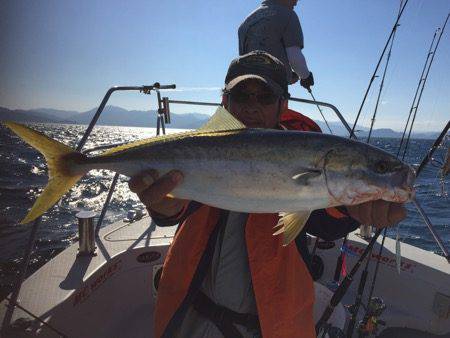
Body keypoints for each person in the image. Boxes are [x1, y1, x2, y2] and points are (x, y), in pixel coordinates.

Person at [128, 51, 407, 338]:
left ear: (282, 105)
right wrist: (163, 207)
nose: (252, 106)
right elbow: (178, 209)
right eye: (241, 96)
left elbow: (325, 221)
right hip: (190, 315)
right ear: (225, 102)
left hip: (268, 326)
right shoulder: (200, 152)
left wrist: (352, 209)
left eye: (264, 97)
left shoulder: (308, 154)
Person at [238, 0, 314, 91]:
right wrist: (306, 76)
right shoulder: (288, 15)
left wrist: (289, 74)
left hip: (245, 86)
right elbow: (294, 57)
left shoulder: (246, 21)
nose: (296, 3)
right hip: (271, 89)